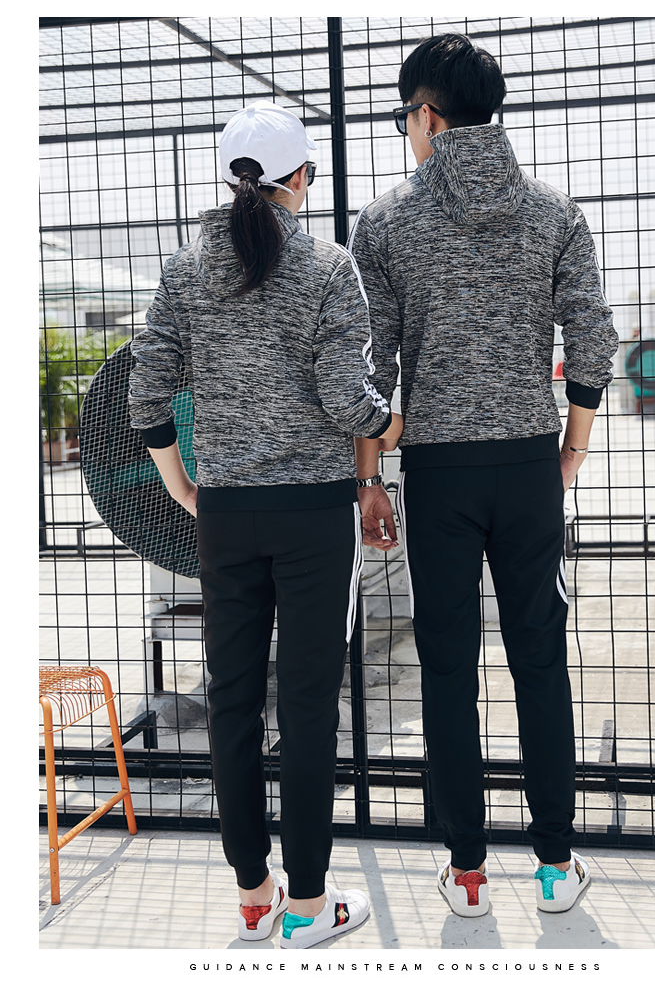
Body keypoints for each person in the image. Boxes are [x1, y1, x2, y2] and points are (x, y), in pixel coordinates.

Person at [350, 34, 620, 917]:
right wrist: (571, 447)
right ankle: (555, 867)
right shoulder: (555, 212)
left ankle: (467, 872)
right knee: (540, 658)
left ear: (428, 114)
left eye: (404, 116)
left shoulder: (385, 223)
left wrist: (370, 479)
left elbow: (372, 365)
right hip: (529, 462)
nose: (406, 130)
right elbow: (593, 337)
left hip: (437, 471)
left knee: (446, 666)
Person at [127, 101, 402, 947]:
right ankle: (310, 906)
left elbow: (146, 392)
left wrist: (185, 489)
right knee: (312, 707)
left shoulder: (184, 269)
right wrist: (389, 421)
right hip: (314, 515)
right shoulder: (327, 265)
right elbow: (347, 399)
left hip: (227, 513)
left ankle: (254, 898)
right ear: (302, 178)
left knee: (234, 703)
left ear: (230, 179)